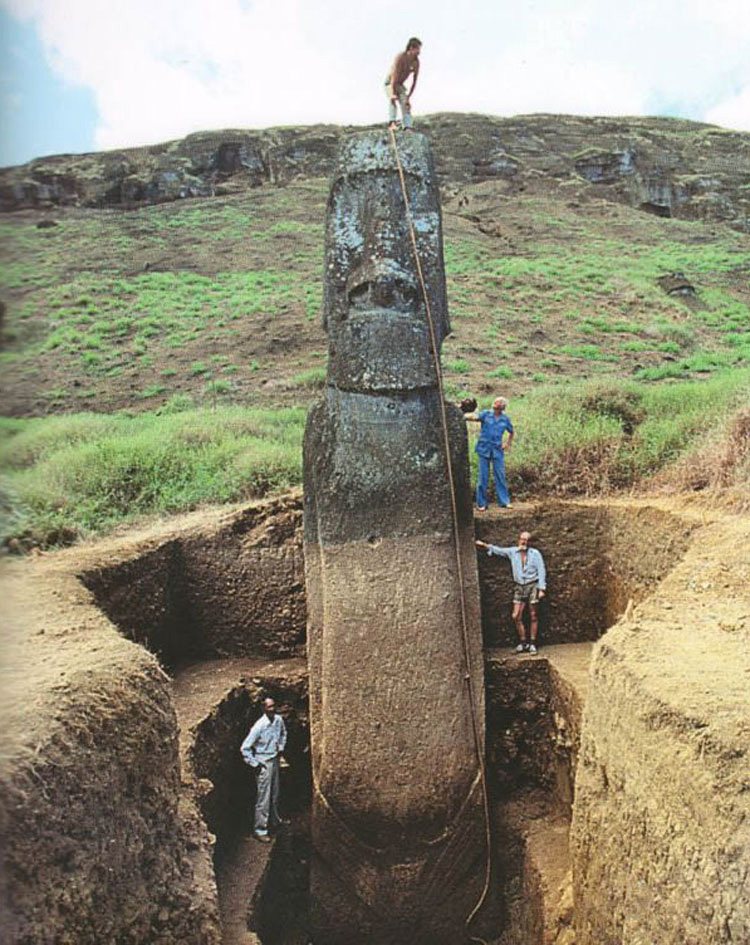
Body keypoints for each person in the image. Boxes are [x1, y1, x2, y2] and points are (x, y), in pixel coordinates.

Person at [476, 531, 546, 654]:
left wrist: (541, 589)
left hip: (532, 586)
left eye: (526, 540)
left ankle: (533, 644)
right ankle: (523, 642)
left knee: (533, 615)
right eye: (522, 539)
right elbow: (499, 550)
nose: (523, 542)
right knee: (516, 616)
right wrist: (484, 545)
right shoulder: (513, 552)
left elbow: (541, 570)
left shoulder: (535, 554)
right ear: (518, 540)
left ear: (530, 542)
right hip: (519, 587)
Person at [240, 696, 288, 843]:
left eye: (274, 706)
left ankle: (274, 821)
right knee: (264, 798)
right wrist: (255, 764)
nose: (273, 709)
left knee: (275, 793)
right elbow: (245, 748)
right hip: (263, 762)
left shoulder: (278, 720)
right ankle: (260, 830)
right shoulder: (259, 726)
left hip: (274, 760)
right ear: (263, 708)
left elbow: (283, 734)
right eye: (269, 707)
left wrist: (280, 748)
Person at [465, 396, 514, 510]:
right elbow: (474, 417)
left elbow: (511, 431)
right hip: (484, 449)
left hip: (497, 450)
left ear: (502, 407)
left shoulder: (505, 419)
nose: (496, 404)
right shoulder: (486, 414)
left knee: (500, 476)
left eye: (499, 403)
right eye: (496, 402)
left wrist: (507, 443)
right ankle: (481, 504)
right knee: (483, 477)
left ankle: (504, 501)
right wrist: (462, 415)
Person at [385, 37, 421, 131]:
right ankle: (392, 123)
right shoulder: (400, 57)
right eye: (417, 49)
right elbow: (393, 77)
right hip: (390, 82)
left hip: (400, 84)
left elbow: (414, 81)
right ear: (411, 48)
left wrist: (408, 97)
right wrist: (392, 93)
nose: (419, 51)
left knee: (405, 104)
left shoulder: (416, 62)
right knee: (392, 100)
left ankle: (408, 126)